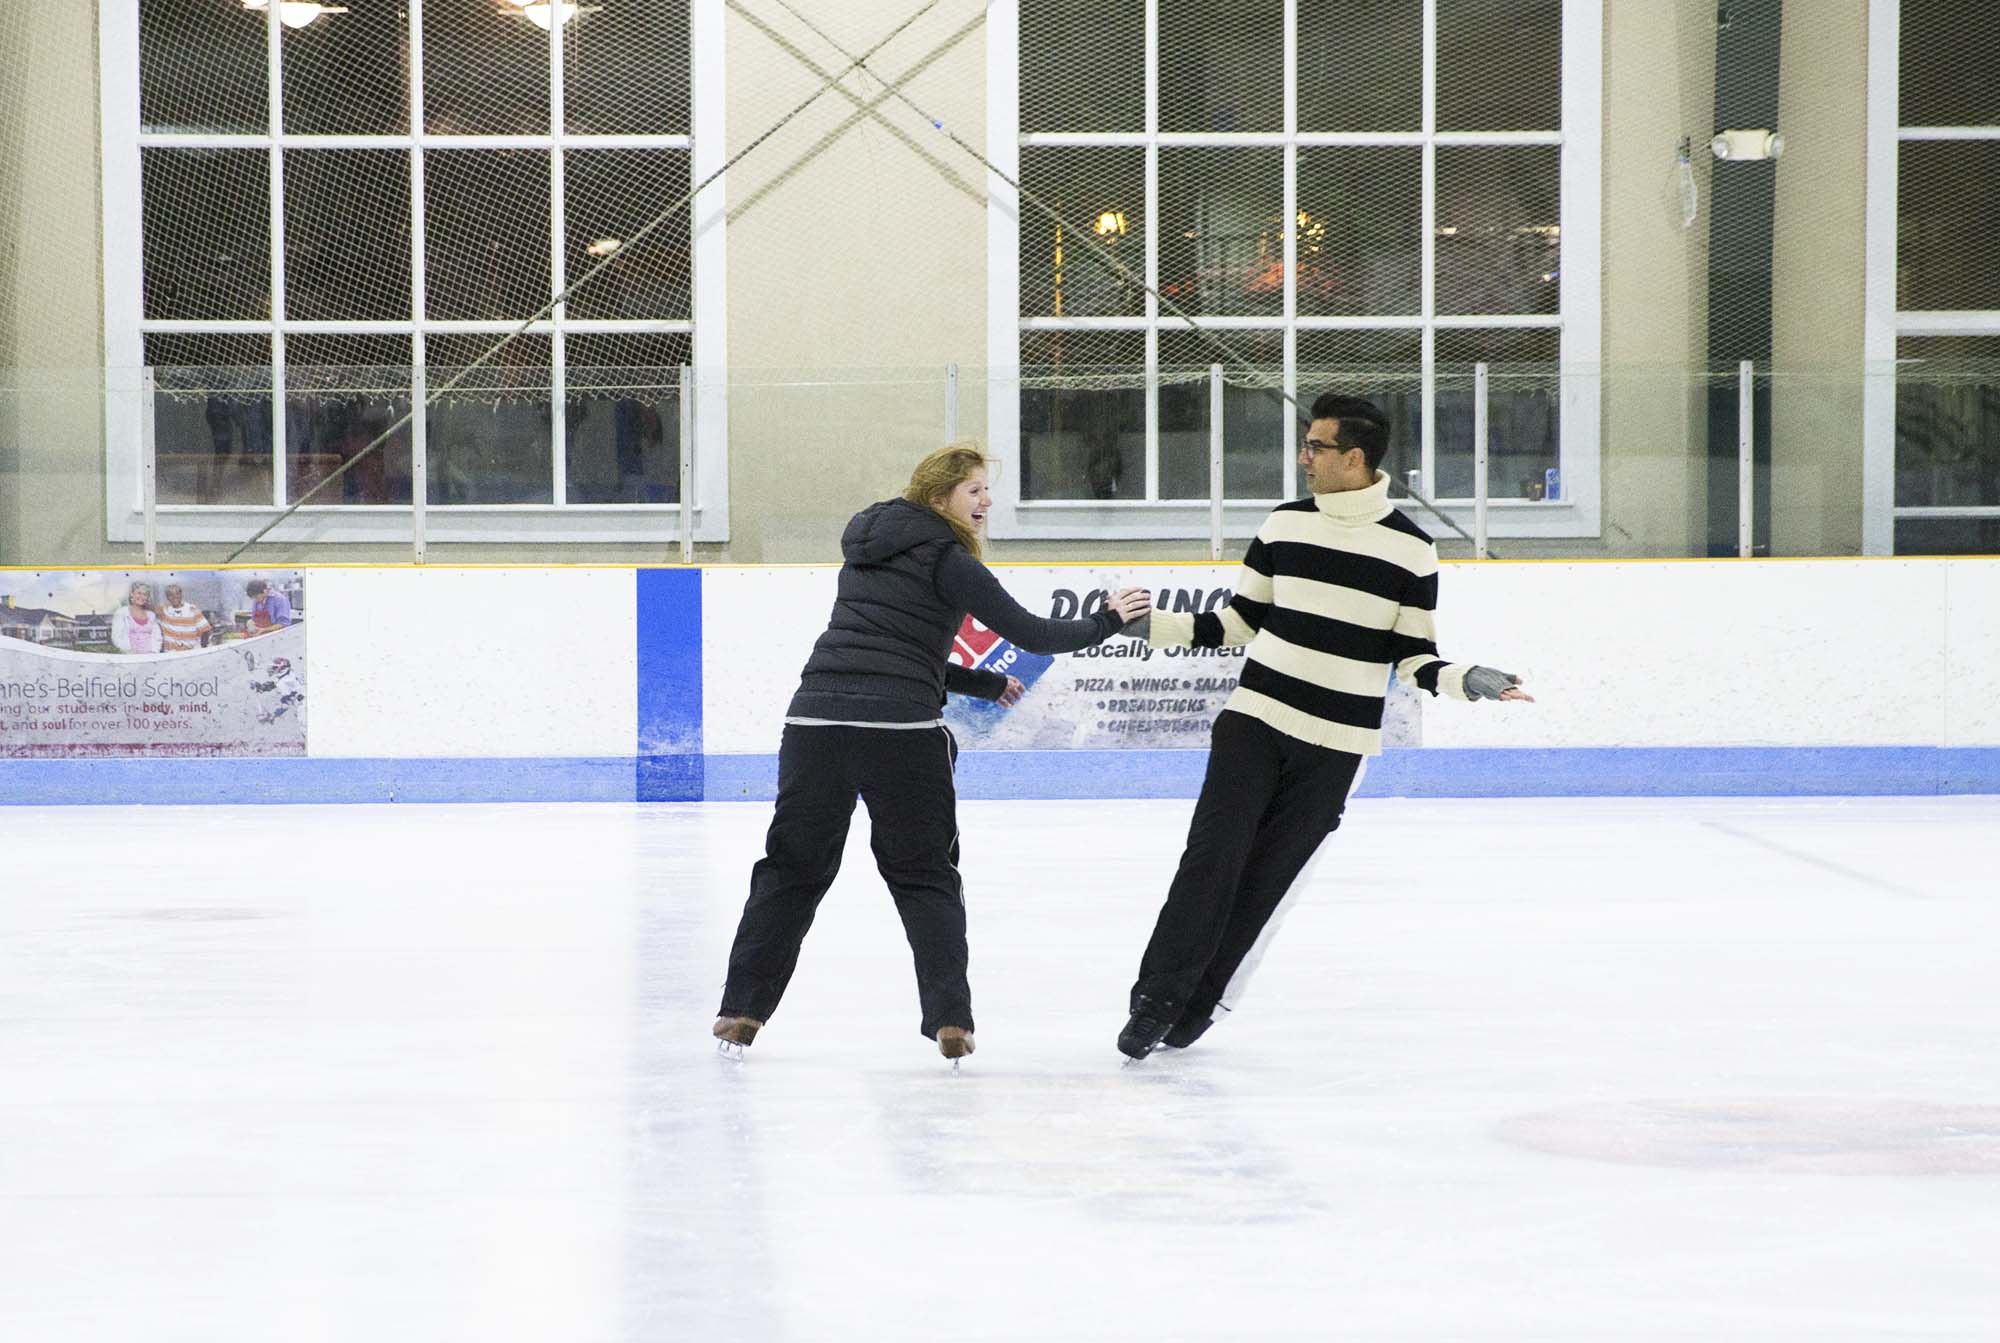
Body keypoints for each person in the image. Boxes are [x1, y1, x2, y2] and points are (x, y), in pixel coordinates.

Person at [1115, 394, 1535, 1060]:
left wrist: (1463, 677)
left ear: (1354, 457)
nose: (1303, 458)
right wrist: (1155, 627)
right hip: (1254, 720)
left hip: (1337, 745)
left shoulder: (1411, 550)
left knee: (1266, 877)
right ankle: (1155, 1000)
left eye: (1315, 446)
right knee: (1211, 860)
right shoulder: (1284, 526)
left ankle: (1199, 1004)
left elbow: (1412, 657)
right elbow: (1236, 623)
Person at [715, 442, 1153, 1062]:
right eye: (974, 489)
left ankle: (740, 1010)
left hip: (814, 723)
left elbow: (894, 649)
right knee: (924, 876)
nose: (987, 501)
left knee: (791, 871)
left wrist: (980, 681)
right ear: (940, 495)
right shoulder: (950, 560)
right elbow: (1033, 633)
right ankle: (950, 1020)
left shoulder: (865, 550)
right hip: (899, 735)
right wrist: (1107, 619)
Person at [109, 582, 161, 655]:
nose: (142, 597)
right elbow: (116, 637)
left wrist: (154, 652)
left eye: (145, 594)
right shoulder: (122, 613)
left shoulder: (151, 615)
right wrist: (129, 653)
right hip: (130, 657)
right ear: (132, 594)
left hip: (150, 656)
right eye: (139, 593)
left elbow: (157, 637)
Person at [158, 584, 213, 652]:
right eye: (170, 595)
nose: (174, 597)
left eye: (177, 594)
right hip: (170, 653)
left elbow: (205, 630)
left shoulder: (192, 610)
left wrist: (203, 648)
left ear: (181, 594)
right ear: (167, 597)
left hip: (190, 653)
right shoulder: (164, 610)